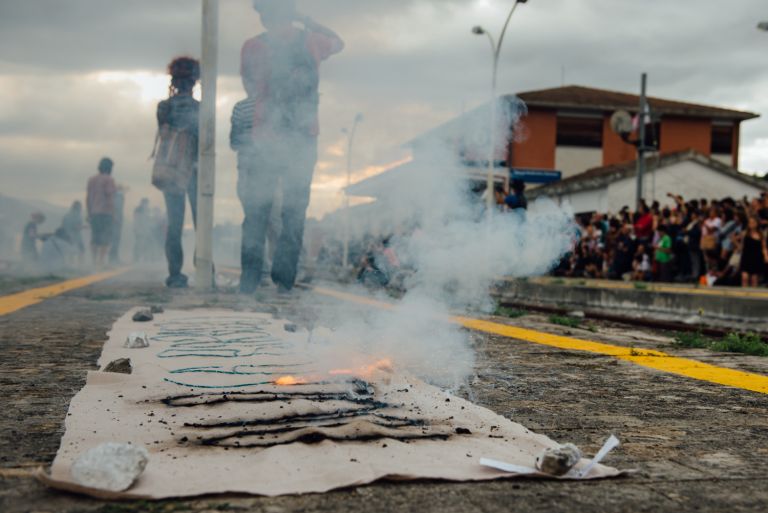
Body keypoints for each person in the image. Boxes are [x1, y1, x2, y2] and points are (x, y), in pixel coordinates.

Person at [236, 0, 344, 293]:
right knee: (294, 213)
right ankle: (284, 282)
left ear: (263, 17)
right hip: (303, 137)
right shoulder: (312, 40)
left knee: (257, 211)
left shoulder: (252, 46)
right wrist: (306, 20)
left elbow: (249, 86)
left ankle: (249, 282)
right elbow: (340, 42)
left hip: (265, 138)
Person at [155, 57, 200, 288]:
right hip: (195, 170)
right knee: (201, 222)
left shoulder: (164, 107)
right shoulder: (200, 109)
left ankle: (175, 274)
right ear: (195, 81)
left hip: (171, 170)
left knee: (175, 223)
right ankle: (203, 270)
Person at [86, 157, 117, 267]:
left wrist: (89, 213)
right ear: (109, 168)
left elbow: (88, 198)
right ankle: (101, 262)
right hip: (106, 212)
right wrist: (113, 213)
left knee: (95, 238)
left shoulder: (91, 179)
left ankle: (94, 261)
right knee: (105, 238)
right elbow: (109, 195)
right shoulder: (109, 179)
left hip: (94, 212)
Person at [739, 216, 767, 288]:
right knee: (745, 277)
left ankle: (753, 296)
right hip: (746, 257)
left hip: (756, 257)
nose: (751, 224)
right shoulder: (745, 233)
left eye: (753, 222)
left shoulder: (761, 234)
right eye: (750, 222)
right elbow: (741, 246)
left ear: (757, 223)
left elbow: (764, 247)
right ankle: (744, 295)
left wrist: (766, 256)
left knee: (754, 279)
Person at [109, 186, 126, 264]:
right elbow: (117, 208)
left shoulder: (116, 196)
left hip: (116, 220)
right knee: (115, 239)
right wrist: (116, 217)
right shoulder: (119, 196)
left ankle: (114, 257)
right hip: (116, 220)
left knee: (115, 239)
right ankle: (113, 258)